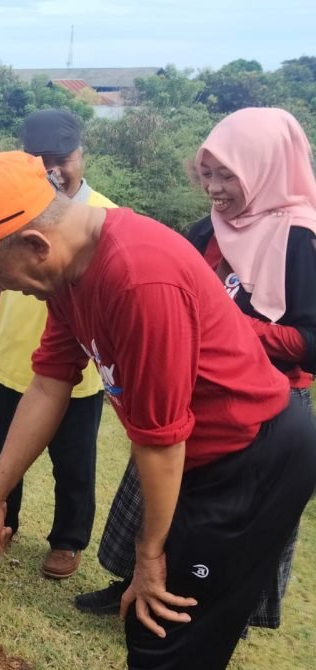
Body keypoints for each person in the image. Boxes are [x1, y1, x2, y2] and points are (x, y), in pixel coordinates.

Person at [0, 151, 316, 670]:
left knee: (177, 618)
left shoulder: (138, 278)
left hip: (252, 461)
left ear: (33, 242)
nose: (4, 287)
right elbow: (52, 382)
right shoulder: (71, 274)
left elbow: (162, 442)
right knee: (150, 618)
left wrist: (150, 555)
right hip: (203, 456)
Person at [77, 108, 316, 627]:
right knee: (156, 486)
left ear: (266, 168)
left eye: (228, 174)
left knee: (224, 519)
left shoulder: (301, 240)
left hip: (266, 405)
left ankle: (200, 612)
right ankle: (131, 584)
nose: (214, 188)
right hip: (190, 386)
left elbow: (310, 343)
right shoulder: (204, 231)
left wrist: (229, 326)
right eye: (207, 174)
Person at [0, 109, 114, 580]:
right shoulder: (12, 208)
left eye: (62, 158)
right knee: (2, 454)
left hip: (77, 377)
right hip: (13, 366)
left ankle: (67, 541)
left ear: (81, 156)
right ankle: (3, 521)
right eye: (41, 159)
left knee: (73, 466)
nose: (54, 169)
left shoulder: (105, 216)